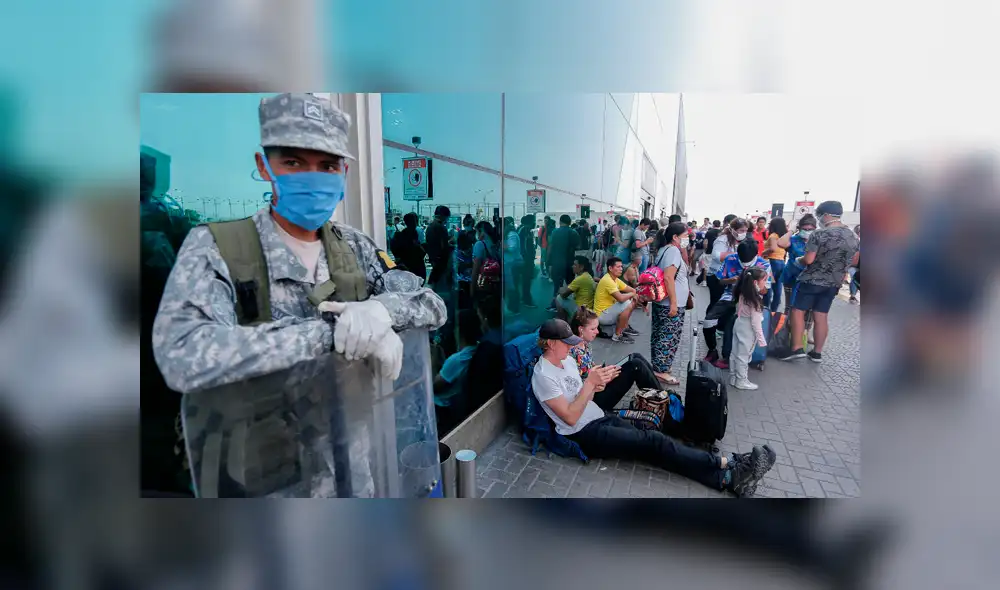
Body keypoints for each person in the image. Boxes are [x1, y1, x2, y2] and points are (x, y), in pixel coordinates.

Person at [153, 92, 447, 397]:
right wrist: (335, 333)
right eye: (294, 162)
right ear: (264, 166)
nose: (312, 179)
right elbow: (182, 356)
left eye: (328, 166)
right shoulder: (216, 248)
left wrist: (381, 311)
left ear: (344, 173)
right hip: (263, 427)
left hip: (353, 424)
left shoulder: (355, 245)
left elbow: (431, 303)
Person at [531, 319, 776, 497]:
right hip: (583, 433)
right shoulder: (543, 376)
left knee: (653, 441)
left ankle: (727, 476)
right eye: (566, 343)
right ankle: (727, 464)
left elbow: (581, 396)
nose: (572, 347)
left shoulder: (567, 361)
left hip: (596, 415)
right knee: (652, 442)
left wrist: (597, 384)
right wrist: (590, 385)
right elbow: (570, 418)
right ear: (551, 344)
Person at [781, 201, 859, 363]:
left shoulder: (819, 234)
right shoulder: (853, 236)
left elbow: (809, 259)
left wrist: (799, 259)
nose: (819, 218)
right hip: (833, 283)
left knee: (797, 311)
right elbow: (854, 261)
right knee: (821, 315)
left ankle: (796, 348)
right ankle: (817, 353)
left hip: (811, 280)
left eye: (819, 215)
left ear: (826, 215)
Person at [569, 308, 667, 404]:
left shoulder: (585, 344)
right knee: (636, 365)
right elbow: (578, 387)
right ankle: (662, 400)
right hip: (591, 398)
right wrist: (604, 379)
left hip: (597, 386)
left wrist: (606, 372)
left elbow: (590, 369)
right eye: (593, 329)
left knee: (635, 356)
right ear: (581, 329)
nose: (597, 332)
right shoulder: (573, 353)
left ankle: (661, 395)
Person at [708, 239, 773, 369]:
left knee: (736, 323)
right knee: (712, 320)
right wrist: (730, 281)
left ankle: (734, 357)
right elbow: (720, 281)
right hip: (730, 297)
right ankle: (719, 353)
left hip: (752, 299)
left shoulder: (764, 265)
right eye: (742, 260)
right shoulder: (730, 259)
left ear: (756, 255)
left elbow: (766, 290)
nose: (744, 263)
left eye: (747, 261)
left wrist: (753, 286)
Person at [702, 216, 749, 365]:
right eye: (741, 230)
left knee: (729, 314)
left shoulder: (743, 244)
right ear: (733, 230)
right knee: (715, 306)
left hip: (733, 284)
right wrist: (736, 256)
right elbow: (716, 256)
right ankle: (714, 333)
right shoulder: (723, 240)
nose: (743, 233)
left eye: (745, 230)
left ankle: (722, 334)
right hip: (717, 277)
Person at [648, 222, 691, 385]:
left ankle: (659, 366)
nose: (687, 238)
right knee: (668, 337)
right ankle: (661, 371)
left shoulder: (664, 249)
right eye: (685, 235)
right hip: (670, 303)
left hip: (662, 302)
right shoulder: (673, 251)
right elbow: (668, 277)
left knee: (659, 335)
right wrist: (673, 303)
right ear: (675, 237)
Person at [433, 309, 483, 432]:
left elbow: (434, 386)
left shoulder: (457, 360)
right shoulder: (478, 350)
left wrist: (433, 358)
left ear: (459, 330)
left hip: (443, 410)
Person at [777, 214, 817, 341]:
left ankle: (806, 331)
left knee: (810, 307)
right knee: (790, 306)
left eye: (811, 229)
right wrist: (791, 230)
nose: (807, 231)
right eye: (805, 229)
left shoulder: (817, 240)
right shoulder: (794, 239)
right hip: (792, 276)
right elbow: (781, 243)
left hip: (811, 278)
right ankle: (786, 330)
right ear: (800, 228)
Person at [729, 267, 770, 390]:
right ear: (755, 282)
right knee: (744, 356)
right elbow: (756, 323)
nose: (765, 283)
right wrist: (761, 339)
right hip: (748, 329)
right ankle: (741, 380)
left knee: (735, 353)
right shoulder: (755, 301)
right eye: (764, 280)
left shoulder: (742, 294)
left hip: (739, 323)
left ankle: (733, 377)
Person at [594, 257, 640, 344]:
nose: (621, 269)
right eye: (618, 267)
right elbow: (621, 298)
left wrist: (633, 294)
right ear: (610, 268)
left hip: (609, 311)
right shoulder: (607, 280)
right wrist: (632, 294)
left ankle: (624, 327)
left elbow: (632, 290)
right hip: (602, 315)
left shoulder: (615, 279)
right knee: (627, 303)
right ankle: (617, 335)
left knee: (631, 301)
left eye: (621, 266)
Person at [547, 214, 581, 296]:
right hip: (569, 263)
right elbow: (578, 247)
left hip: (557, 263)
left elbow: (550, 248)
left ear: (560, 222)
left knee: (557, 286)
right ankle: (569, 301)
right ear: (569, 222)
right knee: (570, 285)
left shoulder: (554, 232)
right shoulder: (573, 232)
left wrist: (548, 262)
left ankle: (555, 301)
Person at [390, 212, 427, 283]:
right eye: (414, 221)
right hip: (412, 265)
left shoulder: (408, 233)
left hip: (408, 265)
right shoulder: (410, 233)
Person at [762, 217, 788, 313]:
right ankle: (774, 311)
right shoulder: (784, 237)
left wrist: (763, 253)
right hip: (781, 263)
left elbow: (773, 248)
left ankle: (766, 310)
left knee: (767, 286)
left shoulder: (773, 235)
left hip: (772, 262)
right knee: (777, 288)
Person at [471, 220, 501, 301]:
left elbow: (476, 270)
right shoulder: (495, 244)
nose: (476, 234)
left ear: (481, 231)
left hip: (482, 284)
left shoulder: (479, 244)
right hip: (494, 284)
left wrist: (472, 290)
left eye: (476, 231)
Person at [502, 216, 523, 313]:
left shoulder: (512, 235)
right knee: (511, 287)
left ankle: (514, 309)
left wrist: (502, 246)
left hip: (513, 265)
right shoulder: (508, 235)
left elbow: (512, 248)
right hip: (509, 264)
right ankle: (512, 307)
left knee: (513, 287)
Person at [518, 215, 538, 309]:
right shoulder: (525, 230)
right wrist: (528, 258)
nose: (535, 223)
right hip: (526, 260)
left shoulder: (523, 229)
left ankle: (524, 298)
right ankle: (527, 300)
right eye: (533, 221)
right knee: (527, 280)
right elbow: (525, 247)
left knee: (525, 280)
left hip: (526, 259)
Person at [848, 225, 861, 303]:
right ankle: (852, 296)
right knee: (855, 278)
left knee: (855, 278)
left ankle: (853, 296)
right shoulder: (855, 242)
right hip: (854, 265)